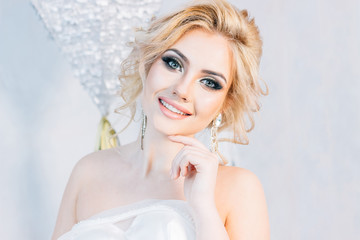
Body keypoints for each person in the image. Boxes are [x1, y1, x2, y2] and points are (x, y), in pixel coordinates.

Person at [52, 0, 270, 239]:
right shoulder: (88, 171)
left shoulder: (239, 189)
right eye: (173, 63)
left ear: (225, 103)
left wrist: (203, 209)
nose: (182, 89)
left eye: (209, 82)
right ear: (148, 63)